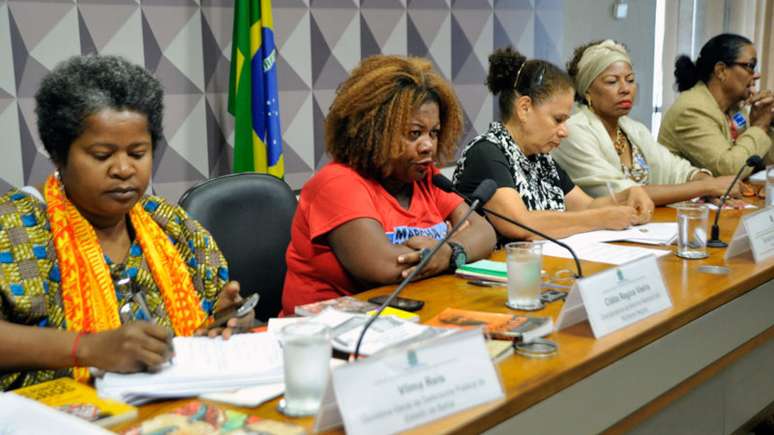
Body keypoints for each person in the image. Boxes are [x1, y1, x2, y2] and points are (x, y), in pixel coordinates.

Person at [0, 55, 251, 391]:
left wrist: (227, 320)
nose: (123, 169)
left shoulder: (171, 226)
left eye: (137, 153)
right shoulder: (14, 229)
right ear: (59, 155)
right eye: (102, 155)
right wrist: (87, 348)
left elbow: (217, 312)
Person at [281, 55, 496, 314]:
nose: (428, 145)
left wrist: (450, 251)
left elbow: (484, 231)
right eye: (414, 133)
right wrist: (450, 250)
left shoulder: (425, 179)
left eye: (434, 132)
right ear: (374, 131)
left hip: (411, 315)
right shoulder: (337, 184)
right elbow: (387, 267)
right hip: (325, 335)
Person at [452, 47, 653, 242]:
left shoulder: (541, 159)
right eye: (558, 120)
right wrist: (601, 219)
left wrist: (628, 195)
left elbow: (586, 205)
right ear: (524, 108)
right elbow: (520, 223)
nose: (565, 131)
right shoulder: (485, 153)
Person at [554, 39, 738, 205]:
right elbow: (625, 194)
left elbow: (677, 170)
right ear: (587, 91)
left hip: (644, 228)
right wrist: (707, 187)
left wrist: (704, 180)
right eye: (612, 81)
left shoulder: (633, 129)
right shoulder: (573, 131)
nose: (625, 89)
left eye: (630, 80)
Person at [659, 33, 774, 177]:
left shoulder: (736, 109)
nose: (756, 75)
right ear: (721, 71)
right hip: (685, 199)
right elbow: (729, 169)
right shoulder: (691, 109)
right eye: (750, 66)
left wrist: (769, 122)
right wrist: (759, 127)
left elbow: (764, 161)